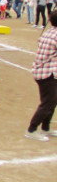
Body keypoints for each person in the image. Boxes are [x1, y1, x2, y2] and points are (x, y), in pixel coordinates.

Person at [25, 10, 57, 141]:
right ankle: (31, 129)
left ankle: (46, 127)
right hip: (47, 73)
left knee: (53, 101)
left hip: (44, 71)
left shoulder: (49, 31)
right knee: (48, 102)